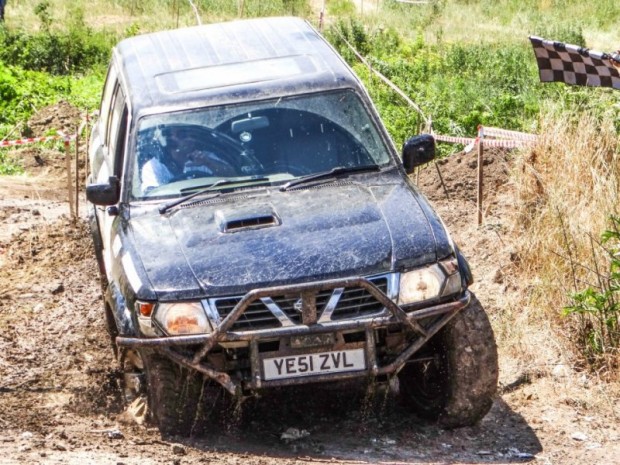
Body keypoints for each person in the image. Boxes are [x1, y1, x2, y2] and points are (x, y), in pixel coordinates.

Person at [140, 126, 237, 193]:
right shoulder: (153, 167)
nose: (190, 139)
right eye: (183, 135)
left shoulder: (204, 157)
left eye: (193, 136)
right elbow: (153, 197)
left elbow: (233, 177)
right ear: (168, 140)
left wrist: (208, 162)